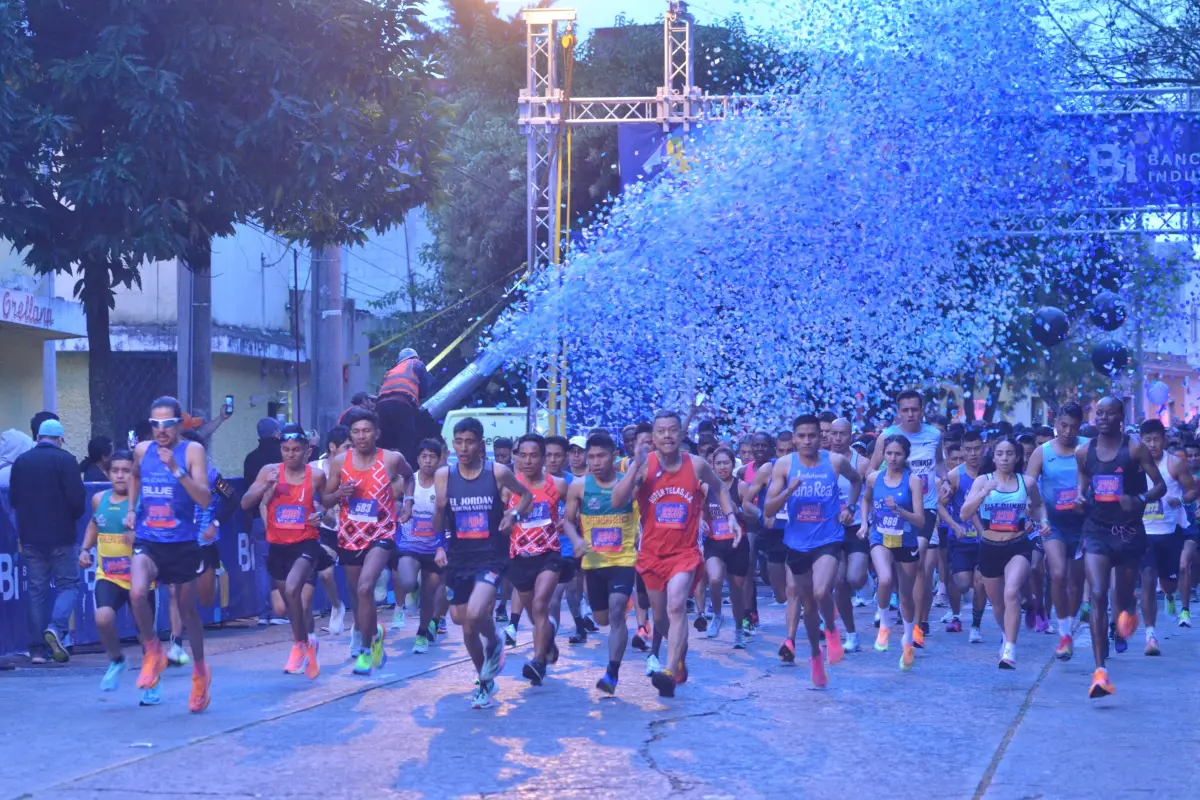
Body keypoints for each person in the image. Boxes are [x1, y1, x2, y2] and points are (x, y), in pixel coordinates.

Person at [612, 410, 741, 697]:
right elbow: (617, 500)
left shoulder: (696, 465)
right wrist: (635, 465)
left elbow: (720, 489)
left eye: (673, 430)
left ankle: (669, 671)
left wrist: (731, 516)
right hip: (651, 555)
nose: (667, 435)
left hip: (685, 553)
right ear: (653, 437)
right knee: (660, 618)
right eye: (661, 431)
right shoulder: (644, 465)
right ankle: (679, 654)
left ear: (681, 434)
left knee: (676, 605)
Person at [434, 416, 532, 709]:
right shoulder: (444, 475)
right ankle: (485, 681)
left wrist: (513, 515)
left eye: (470, 442)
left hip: (491, 554)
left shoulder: (497, 472)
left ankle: (496, 641)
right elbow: (439, 516)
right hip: (459, 556)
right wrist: (439, 546)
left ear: (480, 444)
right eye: (459, 442)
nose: (464, 448)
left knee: (477, 613)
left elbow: (526, 496)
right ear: (453, 444)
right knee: (463, 623)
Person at [126, 397, 213, 711]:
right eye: (155, 424)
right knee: (137, 593)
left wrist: (176, 470)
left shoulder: (192, 451)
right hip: (149, 539)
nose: (161, 430)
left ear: (179, 424)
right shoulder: (142, 450)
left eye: (167, 424)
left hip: (182, 542)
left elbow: (205, 499)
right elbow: (135, 475)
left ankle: (200, 672)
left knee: (187, 613)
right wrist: (132, 509)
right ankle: (153, 650)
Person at [1075, 397, 1166, 698]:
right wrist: (1080, 496)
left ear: (1121, 417)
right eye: (1099, 413)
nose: (1102, 418)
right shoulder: (1084, 451)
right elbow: (1083, 478)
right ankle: (1100, 673)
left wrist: (1139, 500)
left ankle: (1129, 611)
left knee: (1123, 600)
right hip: (1097, 531)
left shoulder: (1135, 448)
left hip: (1128, 533)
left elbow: (1160, 485)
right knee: (1098, 594)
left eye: (1109, 413)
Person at [764, 415, 861, 686]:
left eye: (812, 435)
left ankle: (831, 628)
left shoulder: (835, 461)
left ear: (821, 437)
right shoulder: (784, 465)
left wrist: (850, 507)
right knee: (807, 604)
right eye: (802, 436)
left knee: (821, 592)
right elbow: (768, 510)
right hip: (797, 543)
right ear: (794, 439)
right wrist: (788, 492)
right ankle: (816, 658)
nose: (807, 441)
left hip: (828, 538)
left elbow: (857, 480)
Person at [319, 408, 415, 676]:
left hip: (381, 534)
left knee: (365, 588)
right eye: (356, 432)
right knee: (359, 596)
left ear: (377, 433)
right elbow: (325, 499)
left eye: (366, 431)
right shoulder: (340, 462)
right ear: (351, 435)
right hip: (349, 537)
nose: (361, 436)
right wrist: (339, 493)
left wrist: (408, 502)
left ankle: (363, 651)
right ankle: (374, 635)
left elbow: (410, 477)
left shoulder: (392, 459)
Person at [242, 424, 327, 679]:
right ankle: (306, 641)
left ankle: (299, 645)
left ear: (307, 451)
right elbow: (245, 503)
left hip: (306, 544)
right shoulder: (269, 471)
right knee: (289, 605)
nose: (291, 454)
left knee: (293, 591)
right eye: (286, 449)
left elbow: (328, 507)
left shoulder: (316, 476)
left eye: (296, 450)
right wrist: (264, 486)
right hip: (278, 547)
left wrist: (321, 514)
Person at [79, 450, 159, 702]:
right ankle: (116, 659)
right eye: (115, 471)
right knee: (103, 618)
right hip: (109, 575)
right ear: (108, 473)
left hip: (140, 579)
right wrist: (85, 549)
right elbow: (94, 524)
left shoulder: (144, 501)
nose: (121, 476)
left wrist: (136, 537)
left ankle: (152, 685)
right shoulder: (99, 499)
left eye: (126, 471)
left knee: (145, 635)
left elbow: (157, 537)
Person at [563, 432, 639, 694]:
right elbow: (567, 520)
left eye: (601, 456)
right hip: (593, 564)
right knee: (602, 619)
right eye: (591, 457)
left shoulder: (628, 484)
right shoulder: (579, 486)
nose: (595, 462)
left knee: (617, 611)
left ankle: (612, 673)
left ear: (614, 456)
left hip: (623, 559)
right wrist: (576, 539)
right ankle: (616, 609)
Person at [870, 390, 943, 647]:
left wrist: (945, 481)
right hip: (893, 510)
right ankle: (897, 610)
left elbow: (939, 463)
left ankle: (918, 625)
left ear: (922, 410)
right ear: (898, 412)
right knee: (896, 570)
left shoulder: (934, 435)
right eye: (905, 410)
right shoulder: (886, 436)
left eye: (915, 409)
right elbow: (872, 470)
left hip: (926, 507)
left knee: (922, 563)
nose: (910, 414)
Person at [10, 418, 86, 664]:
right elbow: (77, 501)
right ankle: (56, 628)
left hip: (30, 536)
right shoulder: (66, 460)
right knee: (68, 585)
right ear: (60, 439)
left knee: (36, 591)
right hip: (61, 536)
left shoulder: (22, 461)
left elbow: (13, 499)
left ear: (38, 437)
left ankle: (37, 651)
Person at [960, 437, 1039, 669]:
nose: (1005, 458)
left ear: (1017, 457)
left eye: (1009, 454)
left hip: (1018, 545)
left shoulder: (1027, 482)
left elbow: (1039, 505)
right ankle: (1006, 635)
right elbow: (964, 514)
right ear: (993, 457)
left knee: (1011, 592)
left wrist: (1041, 520)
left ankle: (1010, 649)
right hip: (990, 547)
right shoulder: (982, 481)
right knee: (997, 603)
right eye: (1000, 454)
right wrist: (983, 493)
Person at [504, 434, 568, 686]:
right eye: (523, 456)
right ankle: (548, 641)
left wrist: (568, 521)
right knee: (534, 613)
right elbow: (500, 517)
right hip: (519, 558)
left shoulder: (558, 485)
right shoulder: (509, 486)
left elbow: (575, 508)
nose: (528, 461)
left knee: (541, 604)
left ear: (543, 458)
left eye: (533, 456)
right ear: (517, 458)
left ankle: (538, 662)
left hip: (548, 555)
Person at [1024, 402, 1086, 659]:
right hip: (1053, 523)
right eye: (1063, 425)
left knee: (1076, 582)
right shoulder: (1042, 452)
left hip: (1084, 525)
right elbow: (1028, 483)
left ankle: (1070, 623)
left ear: (1080, 427)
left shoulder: (1087, 447)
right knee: (1058, 573)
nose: (1068, 431)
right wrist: (1030, 507)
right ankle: (1063, 634)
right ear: (1056, 423)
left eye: (1073, 427)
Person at [859, 434, 926, 670]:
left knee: (906, 596)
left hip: (906, 540)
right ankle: (884, 624)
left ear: (905, 455)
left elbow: (920, 520)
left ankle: (907, 640)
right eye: (889, 453)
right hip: (880, 537)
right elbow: (865, 500)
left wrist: (899, 510)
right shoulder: (874, 478)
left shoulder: (913, 480)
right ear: (883, 455)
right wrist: (864, 523)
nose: (893, 458)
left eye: (898, 454)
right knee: (885, 579)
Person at [1135, 418, 1196, 655]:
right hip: (1144, 534)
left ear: (1165, 440)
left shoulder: (1175, 464)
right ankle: (1150, 636)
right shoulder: (1134, 465)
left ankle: (1170, 594)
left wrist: (1179, 500)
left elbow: (1193, 490)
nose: (1152, 444)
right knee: (1148, 580)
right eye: (1147, 440)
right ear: (1141, 441)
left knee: (1169, 583)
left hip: (1170, 533)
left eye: (1156, 439)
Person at [393, 439, 447, 655]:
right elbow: (388, 501)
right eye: (424, 457)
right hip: (410, 544)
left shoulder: (445, 484)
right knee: (407, 582)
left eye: (432, 457)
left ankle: (421, 634)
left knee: (428, 595)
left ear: (439, 459)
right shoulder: (407, 482)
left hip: (435, 548)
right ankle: (412, 591)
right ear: (417, 459)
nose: (428, 461)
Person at [699, 446, 751, 648]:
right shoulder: (706, 487)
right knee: (714, 579)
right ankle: (718, 614)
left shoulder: (741, 486)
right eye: (718, 463)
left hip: (737, 543)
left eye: (726, 463)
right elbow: (702, 510)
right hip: (715, 542)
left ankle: (738, 631)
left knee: (737, 593)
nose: (722, 467)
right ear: (712, 465)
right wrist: (701, 521)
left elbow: (751, 517)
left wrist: (738, 512)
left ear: (732, 464)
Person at [938, 429, 987, 643]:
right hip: (961, 538)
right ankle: (955, 613)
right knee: (963, 583)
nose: (973, 453)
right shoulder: (955, 476)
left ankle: (976, 625)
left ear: (983, 448)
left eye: (977, 448)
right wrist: (953, 524)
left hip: (988, 539)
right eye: (968, 449)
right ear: (963, 451)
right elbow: (939, 505)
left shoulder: (992, 472)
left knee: (981, 582)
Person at [830, 418, 870, 653]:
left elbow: (871, 492)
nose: (837, 438)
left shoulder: (862, 463)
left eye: (842, 434)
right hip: (831, 529)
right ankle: (851, 634)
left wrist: (859, 513)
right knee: (839, 582)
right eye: (833, 434)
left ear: (850, 435)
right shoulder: (822, 461)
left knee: (855, 579)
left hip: (856, 527)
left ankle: (868, 577)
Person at [244, 417, 284, 625]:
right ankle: (280, 612)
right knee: (283, 562)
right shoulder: (284, 455)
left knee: (261, 566)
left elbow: (246, 491)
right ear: (277, 433)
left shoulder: (251, 458)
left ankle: (264, 613)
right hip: (284, 518)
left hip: (257, 519)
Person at [315, 426, 350, 635]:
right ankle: (337, 606)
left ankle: (364, 626)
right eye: (347, 447)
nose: (351, 452)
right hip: (328, 530)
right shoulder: (315, 469)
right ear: (332, 447)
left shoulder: (357, 467)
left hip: (353, 530)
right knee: (326, 574)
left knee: (360, 582)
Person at [376, 347, 430, 465]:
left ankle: (380, 469)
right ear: (415, 356)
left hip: (381, 406)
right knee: (407, 441)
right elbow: (425, 390)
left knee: (384, 442)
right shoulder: (417, 363)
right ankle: (407, 471)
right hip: (402, 404)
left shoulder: (391, 371)